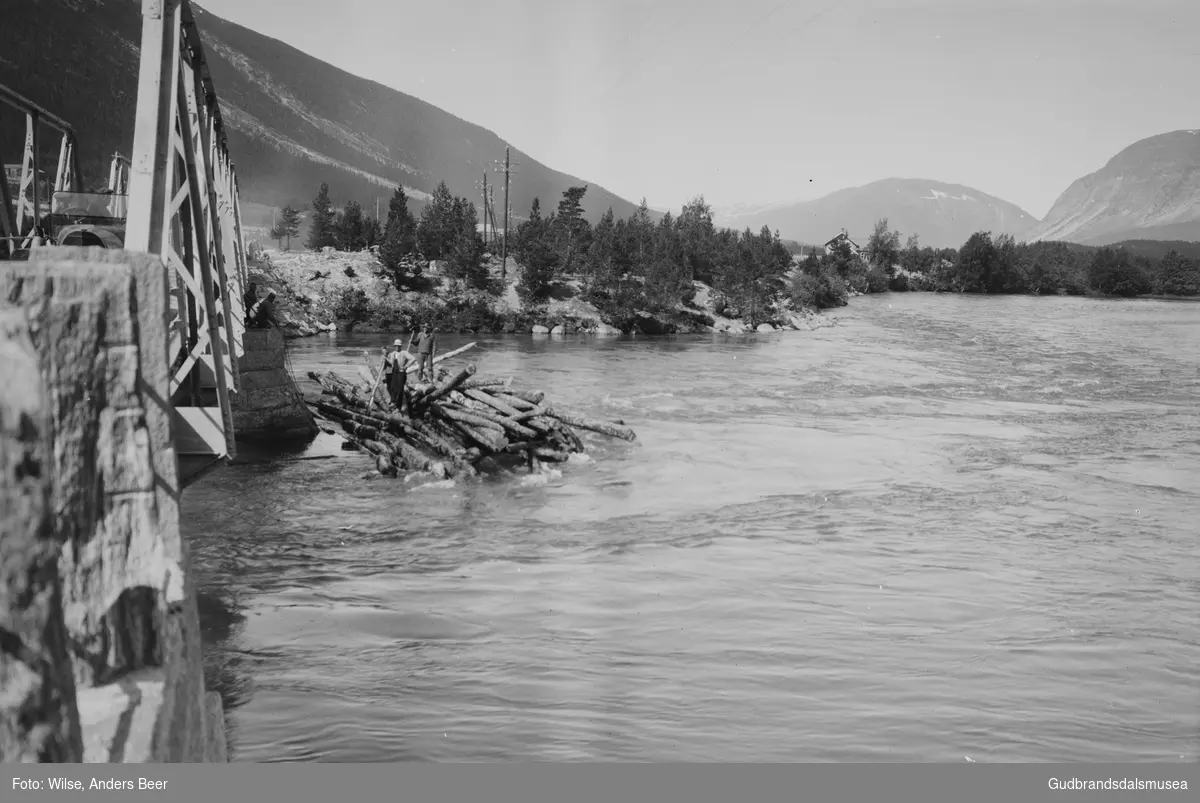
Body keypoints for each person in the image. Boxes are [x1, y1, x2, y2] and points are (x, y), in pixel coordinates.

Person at [382, 339, 411, 414]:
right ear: (394, 346)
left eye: (398, 346)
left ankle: (399, 406)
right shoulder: (393, 353)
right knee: (393, 387)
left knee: (400, 390)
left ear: (400, 346)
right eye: (396, 346)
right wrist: (385, 358)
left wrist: (406, 366)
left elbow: (413, 358)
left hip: (401, 373)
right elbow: (391, 363)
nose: (397, 347)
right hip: (394, 373)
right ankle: (393, 402)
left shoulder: (404, 352)